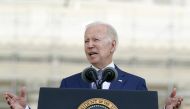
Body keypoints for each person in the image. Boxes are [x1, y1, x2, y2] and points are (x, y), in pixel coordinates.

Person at [4, 22, 183, 109]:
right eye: (86, 41)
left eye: (95, 39)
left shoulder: (136, 84)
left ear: (113, 45)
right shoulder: (69, 84)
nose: (89, 45)